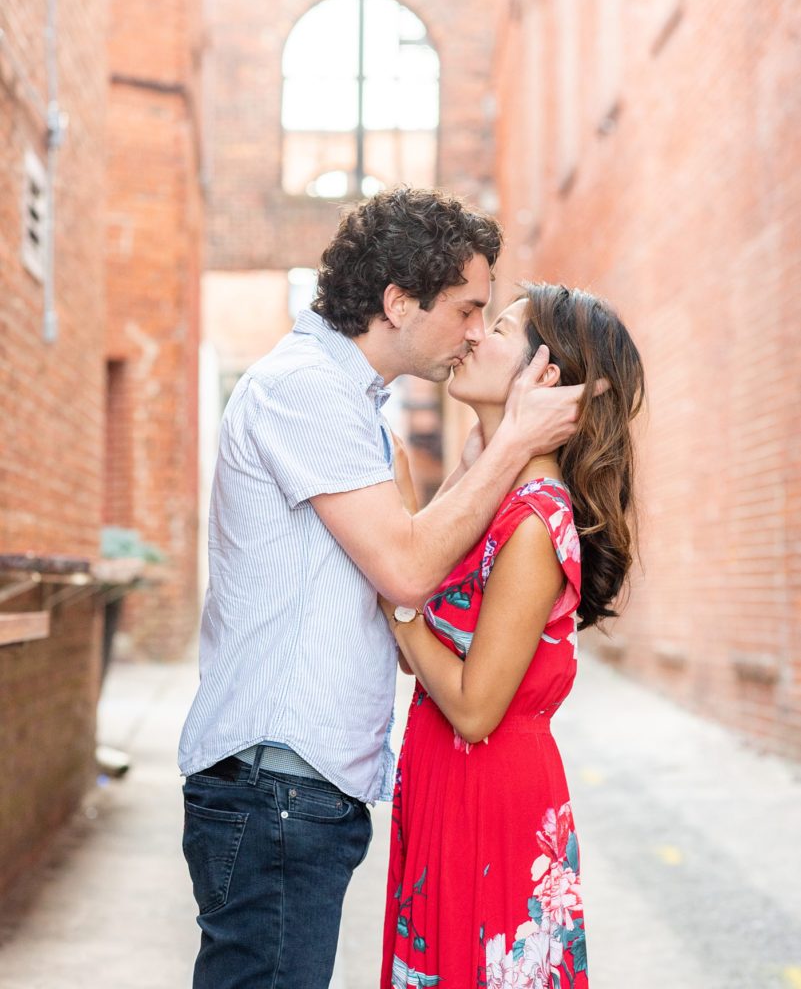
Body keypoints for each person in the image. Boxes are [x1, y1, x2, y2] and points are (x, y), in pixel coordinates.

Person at [178, 188, 594, 989]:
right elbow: (404, 571)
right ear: (398, 302)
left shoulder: (351, 406)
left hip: (298, 790)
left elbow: (409, 581)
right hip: (277, 788)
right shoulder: (306, 390)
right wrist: (508, 444)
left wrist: (483, 460)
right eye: (469, 309)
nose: (475, 331)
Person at [381, 282, 645, 989]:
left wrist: (397, 604)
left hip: (488, 797)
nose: (471, 335)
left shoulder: (533, 519)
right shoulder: (495, 498)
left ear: (543, 374)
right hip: (447, 783)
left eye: (496, 327)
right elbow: (427, 658)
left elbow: (473, 706)